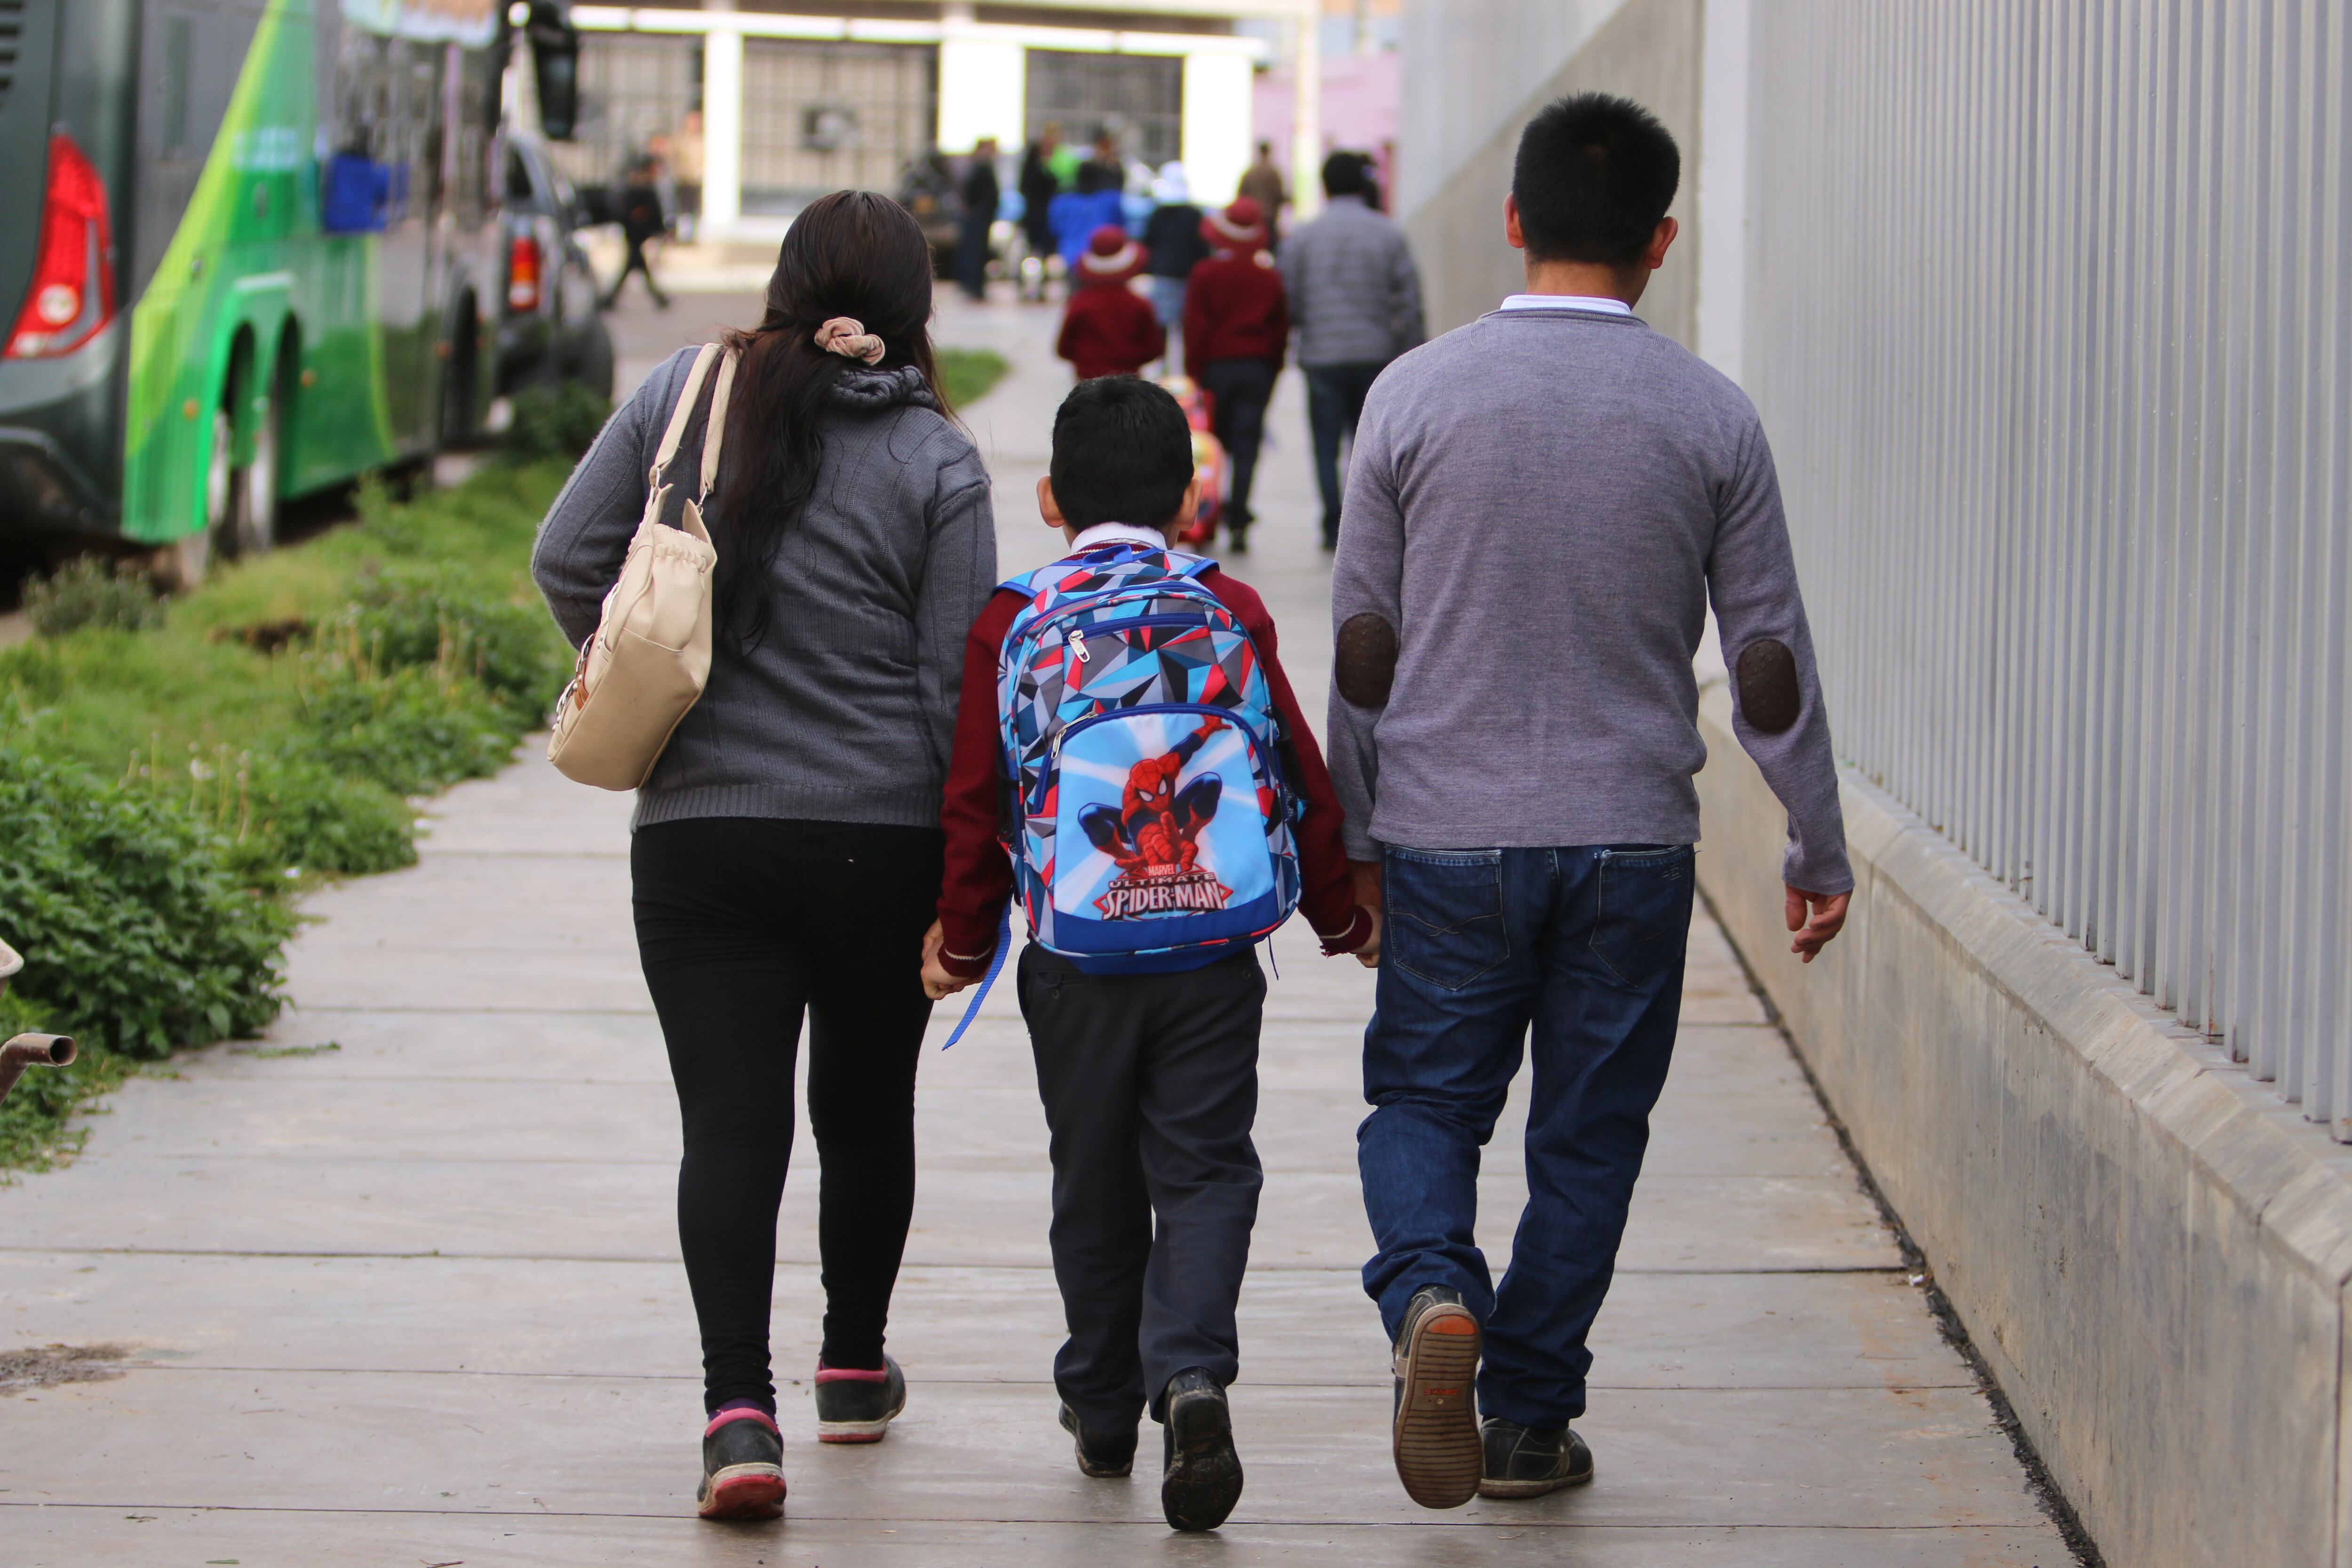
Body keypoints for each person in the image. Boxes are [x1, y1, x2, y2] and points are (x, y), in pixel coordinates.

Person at [1326, 93, 1853, 1511]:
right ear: (1661, 242)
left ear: (1512, 220)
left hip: (1443, 828)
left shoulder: (1411, 399)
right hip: (1630, 837)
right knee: (1589, 1132)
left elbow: (1363, 650)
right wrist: (1813, 834)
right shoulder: (1709, 415)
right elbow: (1764, 663)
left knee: (1426, 1100)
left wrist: (1354, 838)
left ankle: (1432, 1290)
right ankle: (1526, 1414)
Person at [532, 191, 998, 1522]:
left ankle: (738, 1411)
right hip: (883, 837)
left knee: (730, 1122)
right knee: (866, 1111)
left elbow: (567, 554)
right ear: (916, 308)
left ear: (787, 285)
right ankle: (853, 1366)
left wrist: (662, 669)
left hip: (704, 832)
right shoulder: (938, 458)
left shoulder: (693, 390)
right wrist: (961, 864)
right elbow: (955, 689)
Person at [921, 377, 1379, 1533]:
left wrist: (964, 940)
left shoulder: (1013, 617)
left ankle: (1103, 1403)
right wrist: (1339, 911)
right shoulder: (1224, 606)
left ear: (1047, 501)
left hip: (1076, 961)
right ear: (1190, 500)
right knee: (1208, 1166)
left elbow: (976, 799)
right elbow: (1296, 773)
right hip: (1212, 951)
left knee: (1093, 1171)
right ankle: (1192, 1374)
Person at [1278, 152, 1425, 547]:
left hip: (1321, 355)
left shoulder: (1303, 237)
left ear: (1324, 187)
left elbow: (1288, 298)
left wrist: (1296, 337)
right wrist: (1413, 355)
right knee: (1370, 450)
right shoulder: (1389, 233)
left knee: (1325, 446)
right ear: (1362, 185)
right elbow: (1409, 302)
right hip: (1376, 355)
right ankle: (1367, 529)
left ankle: (1332, 526)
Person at [1181, 198, 1286, 549]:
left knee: (1210, 446)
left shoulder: (1204, 274)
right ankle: (1239, 519)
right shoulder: (1269, 278)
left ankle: (1205, 518)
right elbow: (1280, 331)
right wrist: (1272, 369)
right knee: (1247, 445)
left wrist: (1194, 371)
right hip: (1256, 367)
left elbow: (1194, 327)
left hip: (1215, 368)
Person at [1057, 227, 1163, 380]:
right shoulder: (1139, 304)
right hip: (1128, 380)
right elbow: (1153, 350)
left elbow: (1064, 349)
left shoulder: (1080, 303)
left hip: (1087, 382)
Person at [1140, 163, 1209, 366]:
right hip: (1187, 277)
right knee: (1187, 327)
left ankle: (1162, 366)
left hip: (1162, 275)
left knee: (1161, 327)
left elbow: (1148, 244)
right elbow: (1201, 249)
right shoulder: (1194, 215)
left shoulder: (1157, 214)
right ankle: (1188, 368)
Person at [604, 154, 673, 310]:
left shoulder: (642, 187)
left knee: (633, 267)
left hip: (637, 235)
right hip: (634, 235)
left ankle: (610, 299)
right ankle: (658, 298)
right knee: (635, 267)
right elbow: (630, 213)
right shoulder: (639, 189)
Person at [1049, 163, 1129, 272]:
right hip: (1101, 259)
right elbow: (1120, 229)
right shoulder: (1111, 199)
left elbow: (1055, 229)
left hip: (1071, 257)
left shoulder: (1062, 201)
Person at [1019, 127, 1065, 298]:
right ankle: (1028, 287)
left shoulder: (1048, 167)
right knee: (1033, 254)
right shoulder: (1036, 170)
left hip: (1044, 218)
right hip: (1037, 218)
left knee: (1042, 255)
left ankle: (1039, 287)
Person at [957, 137, 1001, 302]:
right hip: (980, 216)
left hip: (981, 215)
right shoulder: (981, 166)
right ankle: (974, 286)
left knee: (977, 251)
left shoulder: (979, 166)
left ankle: (974, 285)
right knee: (976, 251)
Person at [671, 109, 705, 243]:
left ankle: (694, 237)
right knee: (684, 210)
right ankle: (683, 237)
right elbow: (676, 159)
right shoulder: (681, 140)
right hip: (684, 180)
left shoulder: (703, 139)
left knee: (696, 210)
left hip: (698, 181)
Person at [1238, 140, 1287, 234]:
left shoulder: (1250, 172)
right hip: (1268, 216)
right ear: (1269, 151)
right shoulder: (1273, 172)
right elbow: (1278, 195)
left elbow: (1241, 194)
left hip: (1252, 217)